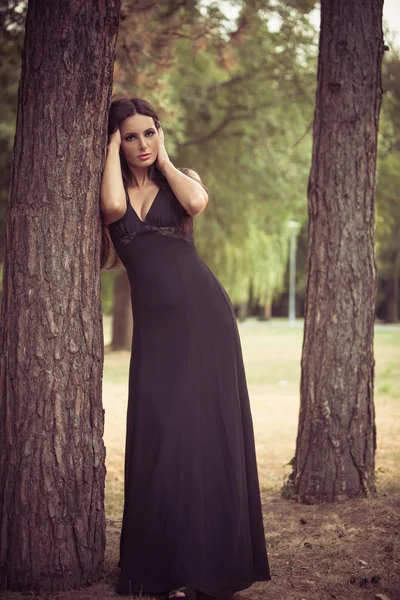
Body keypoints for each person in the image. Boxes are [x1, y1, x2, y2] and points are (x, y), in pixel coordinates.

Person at [100, 97, 271, 600]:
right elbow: (112, 210)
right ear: (117, 141)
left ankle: (202, 569)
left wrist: (165, 156)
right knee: (162, 436)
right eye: (129, 137)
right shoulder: (113, 189)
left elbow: (196, 204)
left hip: (205, 319)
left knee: (202, 435)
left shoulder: (177, 180)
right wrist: (111, 145)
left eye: (148, 133)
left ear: (160, 133)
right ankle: (162, 566)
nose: (142, 145)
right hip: (157, 333)